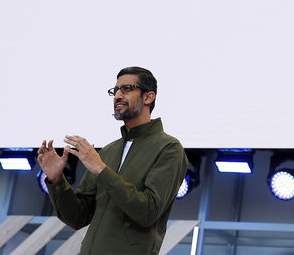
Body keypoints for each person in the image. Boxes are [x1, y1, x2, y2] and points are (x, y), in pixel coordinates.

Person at [37, 66, 188, 255]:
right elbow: (78, 217)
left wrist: (101, 169)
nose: (117, 95)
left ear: (149, 97)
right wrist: (56, 180)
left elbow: (148, 211)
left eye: (127, 89)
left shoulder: (169, 148)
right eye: (115, 90)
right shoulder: (109, 151)